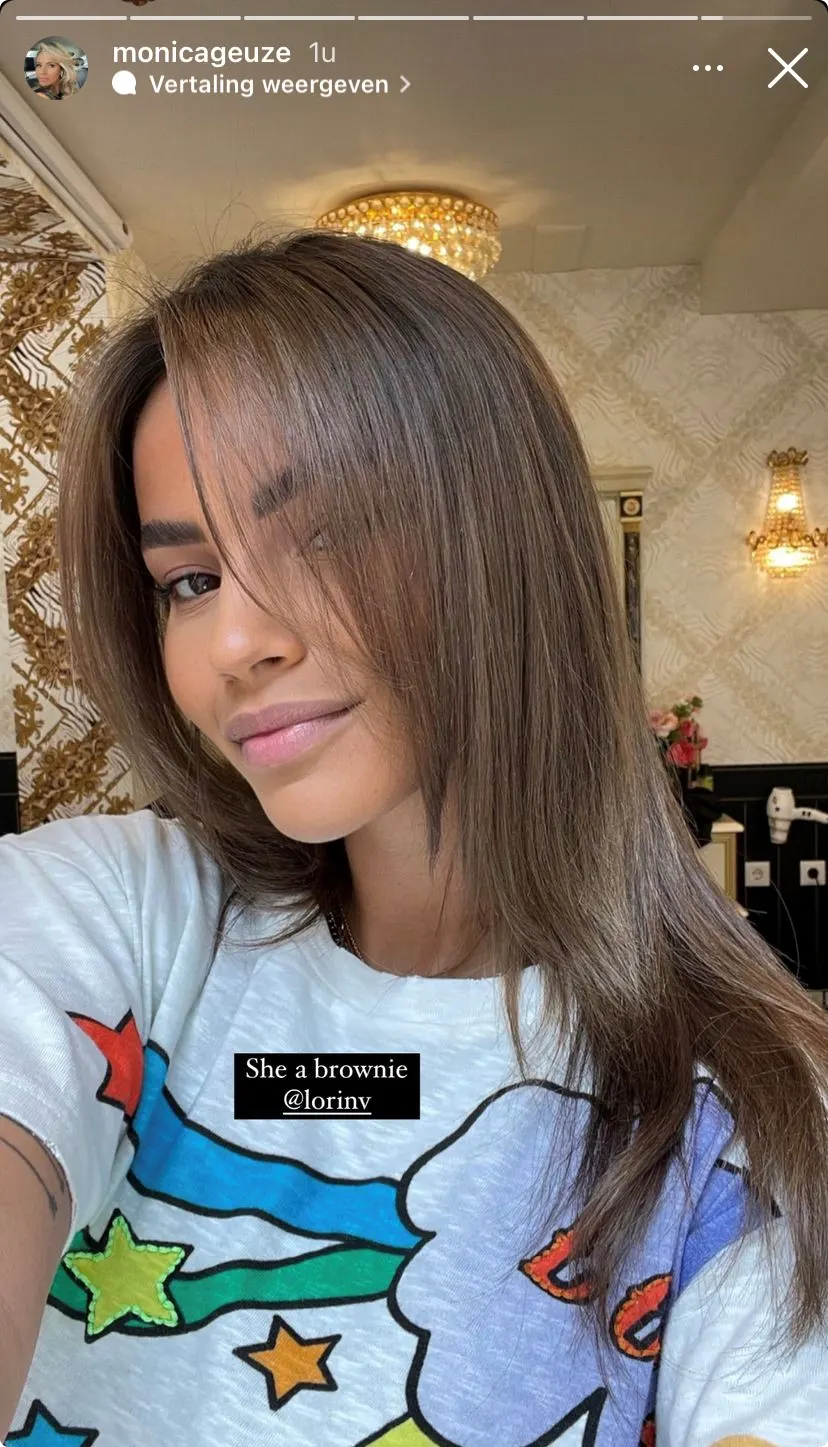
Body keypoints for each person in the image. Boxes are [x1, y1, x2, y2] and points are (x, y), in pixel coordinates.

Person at [1, 230, 827, 1447]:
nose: (235, 643)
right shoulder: (121, 911)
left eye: (326, 532)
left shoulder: (747, 1105)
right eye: (191, 581)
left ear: (508, 535)